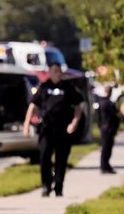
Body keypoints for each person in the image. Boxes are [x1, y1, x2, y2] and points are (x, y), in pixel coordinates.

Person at [22, 63, 84, 197]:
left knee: (61, 159)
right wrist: (26, 124)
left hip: (63, 129)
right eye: (54, 71)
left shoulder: (68, 88)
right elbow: (33, 105)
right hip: (47, 128)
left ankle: (59, 186)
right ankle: (46, 185)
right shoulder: (44, 87)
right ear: (49, 73)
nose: (56, 73)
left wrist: (74, 123)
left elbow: (78, 107)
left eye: (58, 71)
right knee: (44, 156)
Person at [94, 81, 121, 174]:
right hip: (107, 128)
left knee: (107, 148)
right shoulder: (106, 103)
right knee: (106, 148)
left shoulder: (104, 102)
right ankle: (104, 166)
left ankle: (106, 165)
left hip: (106, 127)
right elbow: (112, 116)